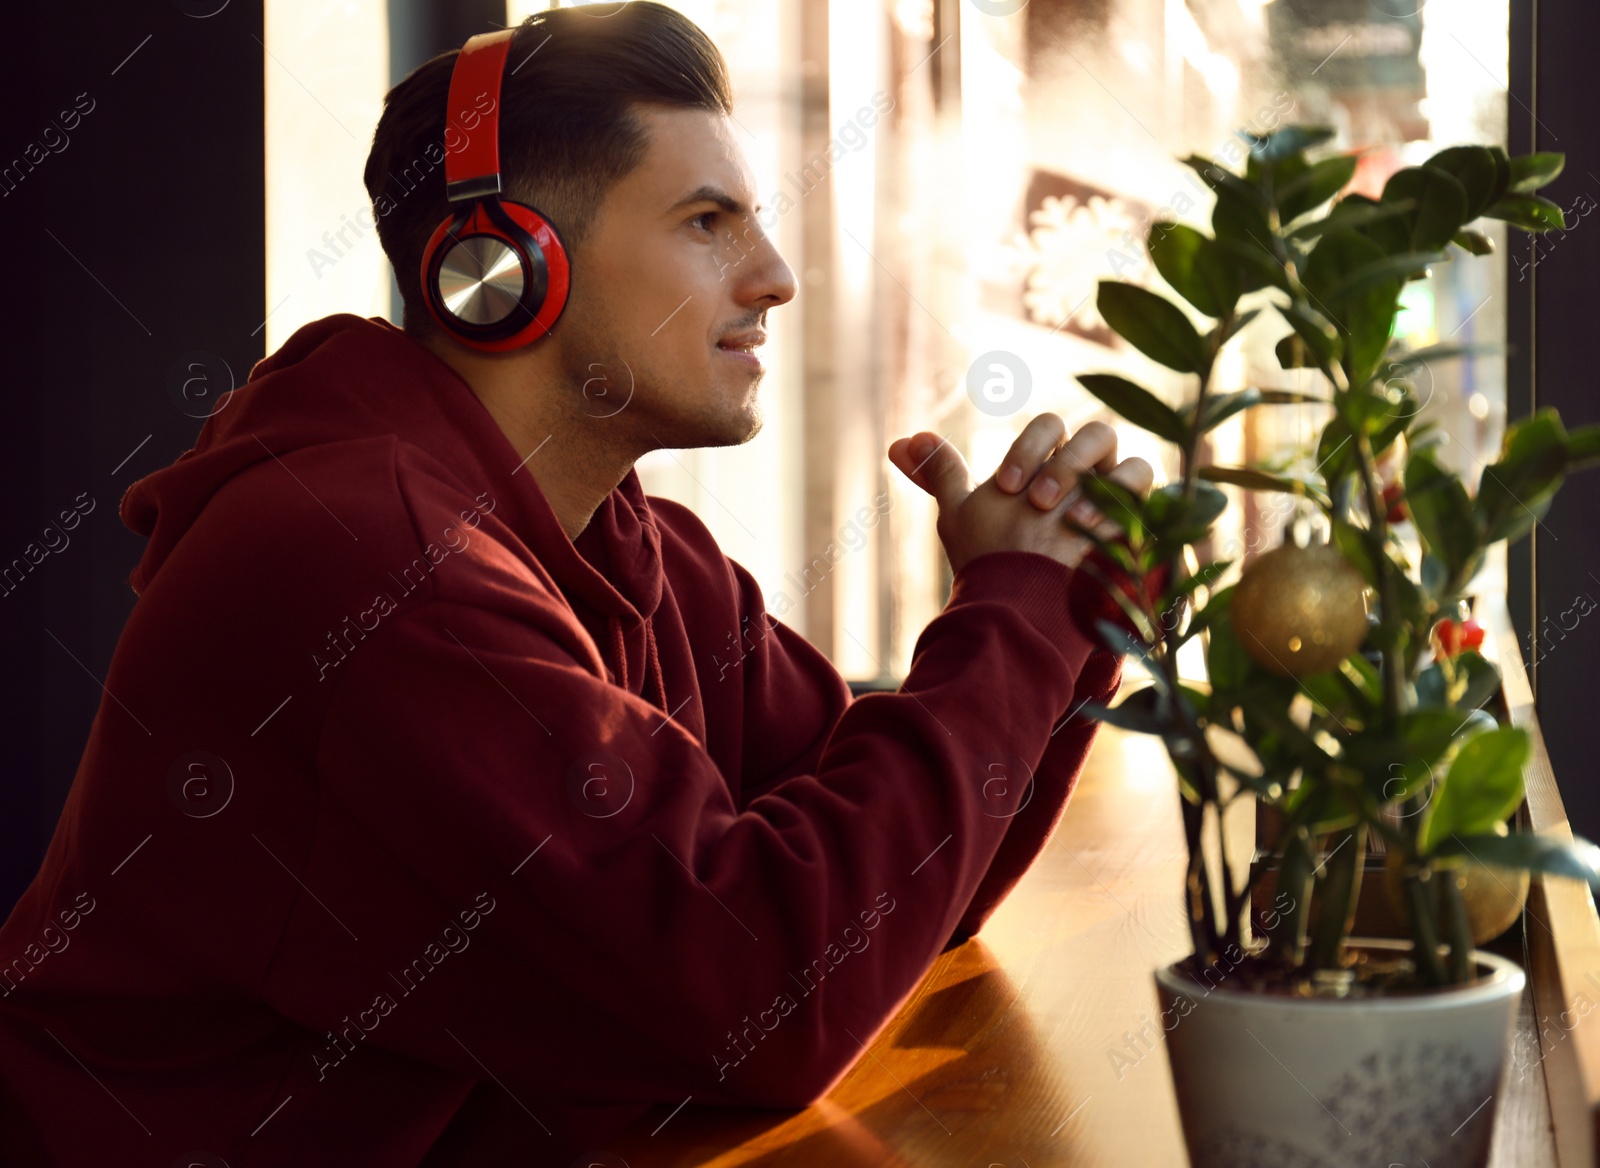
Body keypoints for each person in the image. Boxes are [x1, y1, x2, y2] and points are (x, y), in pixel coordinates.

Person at [0, 4, 1151, 1165]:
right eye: (708, 222)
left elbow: (893, 903)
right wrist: (1008, 611)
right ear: (499, 271)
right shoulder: (371, 569)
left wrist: (1063, 602)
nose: (775, 278)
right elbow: (765, 993)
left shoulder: (624, 540)